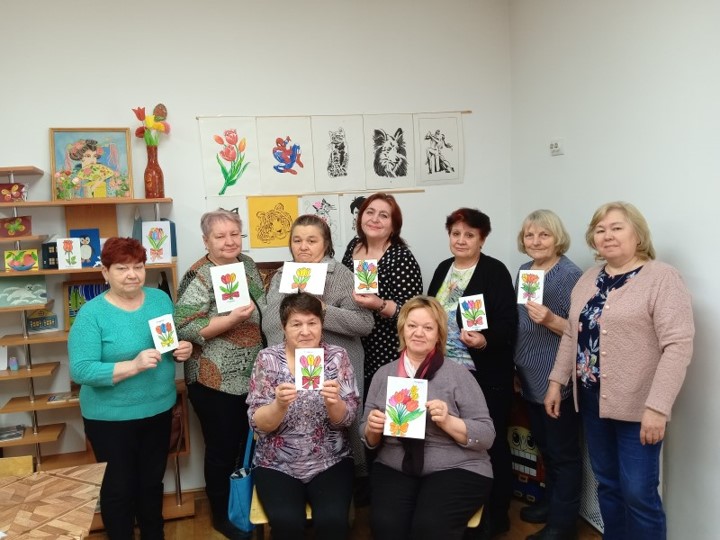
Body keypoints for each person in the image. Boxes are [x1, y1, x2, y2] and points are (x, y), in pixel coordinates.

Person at [545, 202, 694, 540]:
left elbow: (678, 346)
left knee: (639, 493)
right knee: (608, 485)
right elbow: (571, 333)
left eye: (616, 228)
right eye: (600, 230)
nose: (607, 235)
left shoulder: (662, 278)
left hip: (639, 407)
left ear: (637, 235)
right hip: (592, 402)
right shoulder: (588, 278)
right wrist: (556, 381)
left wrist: (657, 407)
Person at [68, 237, 192, 539]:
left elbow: (167, 344)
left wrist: (182, 349)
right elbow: (81, 370)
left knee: (151, 484)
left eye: (138, 266)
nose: (132, 275)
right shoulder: (91, 314)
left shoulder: (160, 300)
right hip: (110, 418)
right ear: (105, 272)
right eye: (122, 268)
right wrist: (132, 366)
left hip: (158, 409)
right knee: (118, 490)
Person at [361, 296, 495, 540]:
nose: (419, 333)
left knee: (430, 527)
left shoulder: (458, 374)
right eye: (412, 325)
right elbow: (367, 438)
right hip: (396, 465)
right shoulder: (384, 374)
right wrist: (372, 428)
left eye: (428, 327)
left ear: (438, 334)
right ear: (402, 329)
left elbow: (487, 435)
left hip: (456, 466)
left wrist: (448, 422)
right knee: (386, 526)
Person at [175, 209, 266, 539]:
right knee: (221, 451)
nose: (229, 241)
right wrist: (230, 320)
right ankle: (222, 516)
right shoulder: (198, 275)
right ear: (206, 241)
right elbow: (183, 327)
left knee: (247, 448)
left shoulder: (248, 264)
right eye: (220, 236)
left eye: (234, 234)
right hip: (214, 381)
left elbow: (264, 307)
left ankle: (245, 509)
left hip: (252, 377)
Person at [427, 207, 517, 539]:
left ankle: (497, 515)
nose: (461, 240)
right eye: (456, 234)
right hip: (445, 374)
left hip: (484, 374)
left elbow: (509, 324)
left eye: (469, 235)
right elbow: (430, 313)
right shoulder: (443, 269)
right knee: (451, 440)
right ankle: (462, 513)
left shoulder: (494, 271)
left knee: (489, 443)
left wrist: (484, 339)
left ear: (482, 239)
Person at [262, 214, 374, 474]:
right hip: (289, 368)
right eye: (297, 240)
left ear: (326, 243)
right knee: (293, 424)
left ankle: (352, 478)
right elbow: (270, 322)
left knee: (342, 426)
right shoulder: (282, 275)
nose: (303, 247)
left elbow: (364, 323)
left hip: (336, 368)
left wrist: (321, 310)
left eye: (312, 240)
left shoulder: (342, 275)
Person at [248, 293, 360, 540]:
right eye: (296, 324)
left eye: (312, 323)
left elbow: (348, 418)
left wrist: (334, 403)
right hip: (276, 463)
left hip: (331, 460)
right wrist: (278, 405)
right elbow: (258, 423)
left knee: (333, 522)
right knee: (287, 524)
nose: (305, 331)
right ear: (283, 327)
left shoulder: (337, 357)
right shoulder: (267, 359)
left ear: (322, 324)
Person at [513, 210, 583, 540]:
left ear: (558, 238)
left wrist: (551, 319)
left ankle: (562, 524)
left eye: (544, 234)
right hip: (528, 375)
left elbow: (581, 331)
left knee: (562, 454)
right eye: (530, 235)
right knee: (544, 446)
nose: (536, 241)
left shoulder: (570, 275)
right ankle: (552, 504)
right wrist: (515, 367)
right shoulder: (524, 271)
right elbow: (521, 325)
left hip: (557, 378)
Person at [341, 192, 423, 395]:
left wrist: (379, 304)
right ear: (360, 217)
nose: (375, 219)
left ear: (394, 226)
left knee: (384, 407)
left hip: (386, 349)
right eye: (370, 212)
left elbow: (412, 314)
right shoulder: (353, 246)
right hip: (354, 343)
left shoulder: (401, 257)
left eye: (384, 215)